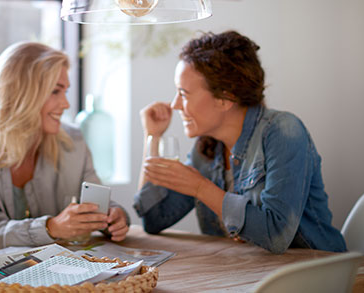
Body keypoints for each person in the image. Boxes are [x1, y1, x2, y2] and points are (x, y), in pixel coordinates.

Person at [134, 31, 346, 254]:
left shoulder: (283, 131)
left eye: (184, 94)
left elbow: (275, 235)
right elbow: (153, 219)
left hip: (316, 271)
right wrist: (152, 137)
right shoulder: (206, 148)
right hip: (246, 275)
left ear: (225, 99)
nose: (175, 105)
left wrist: (200, 187)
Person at [0, 42, 129, 257]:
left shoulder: (74, 143)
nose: (65, 104)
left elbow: (96, 202)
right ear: (21, 94)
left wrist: (114, 217)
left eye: (65, 91)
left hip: (41, 266)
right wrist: (51, 228)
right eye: (55, 91)